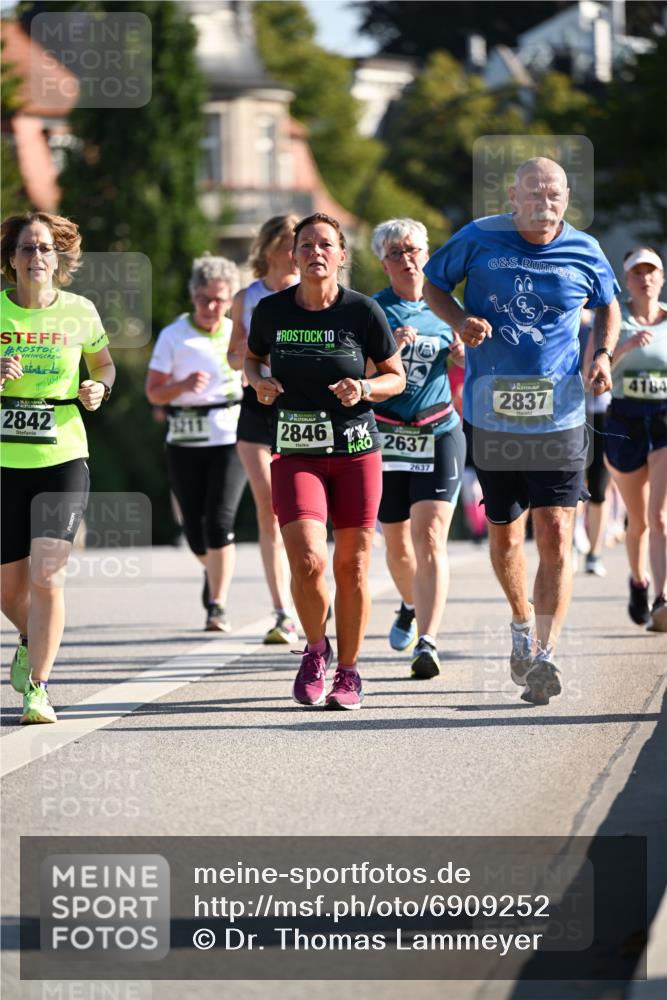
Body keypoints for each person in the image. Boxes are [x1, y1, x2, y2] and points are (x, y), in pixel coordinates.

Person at [423, 157, 621, 705]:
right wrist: (459, 320)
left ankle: (546, 653)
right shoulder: (479, 237)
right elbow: (434, 285)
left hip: (560, 415)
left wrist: (601, 353)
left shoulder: (585, 249)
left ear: (566, 198)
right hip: (492, 415)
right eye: (533, 190)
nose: (544, 200)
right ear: (512, 196)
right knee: (507, 534)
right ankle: (519, 622)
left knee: (556, 531)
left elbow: (609, 306)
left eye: (554, 192)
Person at [244, 212, 405, 709]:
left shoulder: (363, 312)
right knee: (309, 560)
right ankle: (316, 649)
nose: (316, 252)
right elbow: (252, 358)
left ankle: (350, 673)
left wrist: (365, 388)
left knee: (353, 565)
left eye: (325, 245)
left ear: (341, 256)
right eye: (306, 244)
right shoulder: (271, 311)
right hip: (296, 451)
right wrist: (257, 381)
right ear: (293, 256)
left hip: (356, 451)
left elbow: (395, 376)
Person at [1, 211, 115, 724]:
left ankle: (39, 689)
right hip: (5, 462)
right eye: (27, 248)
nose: (37, 257)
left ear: (58, 258)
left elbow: (104, 364)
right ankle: (29, 639)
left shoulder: (80, 311)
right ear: (11, 259)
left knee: (48, 575)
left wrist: (100, 388)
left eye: (46, 248)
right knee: (9, 589)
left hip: (62, 456)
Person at [370, 218, 466, 679]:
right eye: (395, 253)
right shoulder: (372, 311)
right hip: (386, 434)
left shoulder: (445, 306)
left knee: (429, 536)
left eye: (413, 250)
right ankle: (409, 603)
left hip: (438, 428)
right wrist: (382, 353)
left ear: (427, 254)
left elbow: (474, 353)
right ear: (383, 263)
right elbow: (352, 373)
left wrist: (467, 352)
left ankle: (427, 641)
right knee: (397, 543)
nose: (406, 259)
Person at [146, 255, 246, 632]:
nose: (211, 307)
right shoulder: (175, 335)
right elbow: (154, 393)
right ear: (193, 296)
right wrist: (182, 388)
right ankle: (215, 570)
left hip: (229, 436)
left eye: (220, 300)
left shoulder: (239, 333)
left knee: (220, 521)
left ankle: (217, 605)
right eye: (204, 298)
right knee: (194, 529)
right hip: (184, 439)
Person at [227, 215, 300, 644]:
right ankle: (281, 611)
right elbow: (234, 359)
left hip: (301, 406)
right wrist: (245, 354)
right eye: (294, 242)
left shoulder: (309, 295)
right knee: (269, 509)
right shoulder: (247, 297)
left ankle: (308, 590)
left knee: (301, 511)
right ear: (271, 247)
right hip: (257, 407)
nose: (301, 252)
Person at [604, 247, 667, 632]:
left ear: (661, 277)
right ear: (626, 279)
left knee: (660, 516)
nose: (644, 278)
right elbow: (592, 371)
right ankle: (638, 579)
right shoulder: (616, 319)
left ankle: (663, 597)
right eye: (637, 272)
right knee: (639, 521)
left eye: (651, 271)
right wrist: (624, 348)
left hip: (663, 418)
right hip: (624, 418)